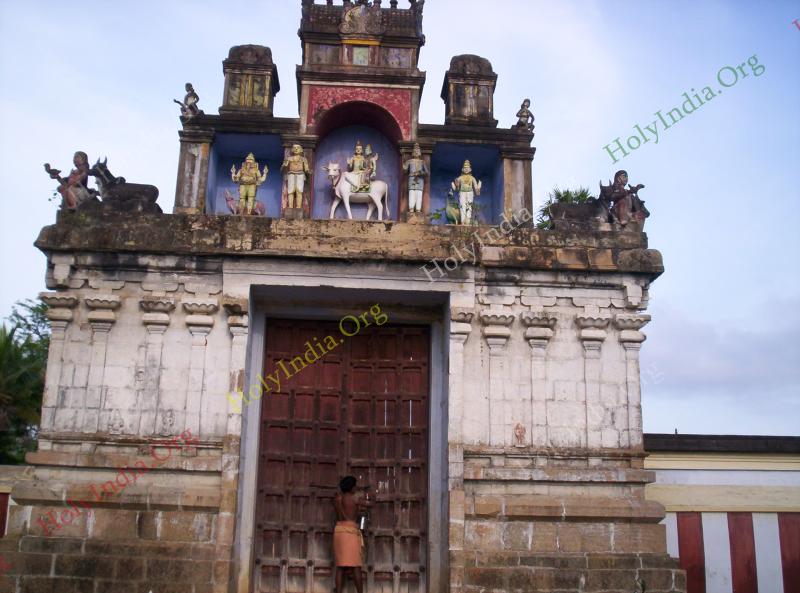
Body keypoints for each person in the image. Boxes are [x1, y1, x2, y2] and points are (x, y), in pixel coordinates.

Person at [333, 476, 371, 593]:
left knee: (340, 566)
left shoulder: (337, 499)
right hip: (350, 533)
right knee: (356, 566)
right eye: (355, 486)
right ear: (351, 487)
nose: (356, 488)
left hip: (339, 532)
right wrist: (373, 497)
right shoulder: (355, 499)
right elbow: (369, 504)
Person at [450, 159, 482, 224]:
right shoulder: (460, 178)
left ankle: (468, 221)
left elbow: (476, 188)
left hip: (470, 193)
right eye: (465, 168)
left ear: (470, 169)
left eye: (467, 168)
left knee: (469, 206)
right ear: (462, 169)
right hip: (462, 193)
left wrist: (478, 187)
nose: (466, 169)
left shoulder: (472, 178)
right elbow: (456, 188)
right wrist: (455, 185)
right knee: (462, 206)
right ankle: (463, 221)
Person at [281, 144, 310, 209]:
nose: (296, 149)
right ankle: (290, 206)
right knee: (290, 191)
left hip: (300, 175)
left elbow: (306, 169)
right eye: (294, 148)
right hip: (291, 175)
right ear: (292, 149)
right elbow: (283, 168)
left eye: (298, 148)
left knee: (299, 191)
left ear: (301, 150)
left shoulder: (303, 159)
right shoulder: (289, 158)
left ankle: (298, 207)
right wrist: (284, 165)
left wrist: (308, 172)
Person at [403, 143, 428, 213]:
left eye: (417, 151)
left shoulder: (422, 162)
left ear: (419, 152)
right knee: (411, 193)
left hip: (420, 180)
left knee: (419, 194)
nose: (416, 152)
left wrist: (420, 173)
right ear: (413, 152)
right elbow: (405, 170)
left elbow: (426, 172)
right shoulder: (409, 161)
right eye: (415, 151)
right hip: (412, 179)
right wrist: (404, 165)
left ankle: (418, 209)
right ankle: (411, 209)